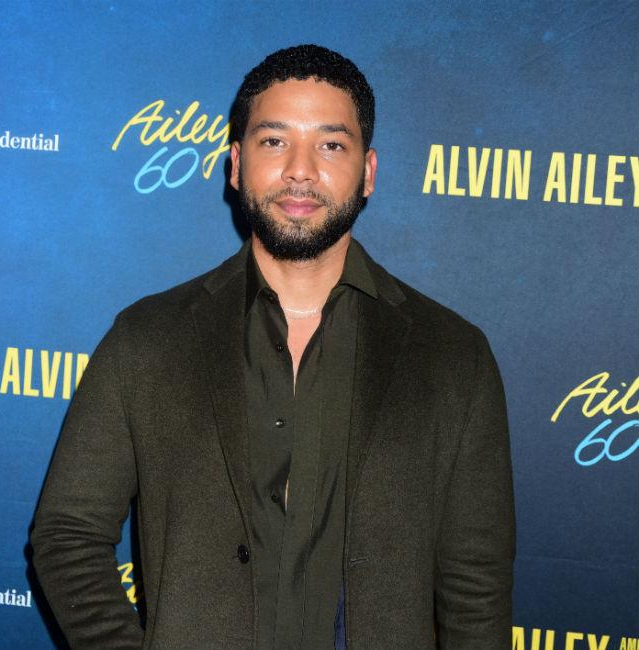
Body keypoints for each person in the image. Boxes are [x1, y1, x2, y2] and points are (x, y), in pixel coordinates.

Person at [31, 44, 515, 650]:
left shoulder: (453, 356)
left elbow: (475, 588)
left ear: (368, 172)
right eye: (274, 140)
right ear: (236, 165)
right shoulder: (147, 339)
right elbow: (67, 534)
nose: (300, 170)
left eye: (331, 145)